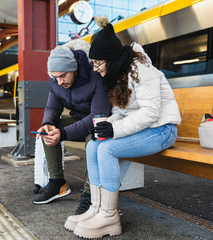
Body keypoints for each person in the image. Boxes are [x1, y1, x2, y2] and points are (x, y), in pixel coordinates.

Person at [64, 22, 181, 238]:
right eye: (93, 63)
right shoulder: (115, 75)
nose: (95, 68)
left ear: (111, 59)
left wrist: (114, 130)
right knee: (93, 146)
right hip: (144, 129)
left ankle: (109, 216)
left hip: (162, 129)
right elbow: (122, 112)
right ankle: (96, 208)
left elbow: (150, 113)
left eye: (98, 63)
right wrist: (108, 123)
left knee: (107, 149)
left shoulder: (141, 70)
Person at [32, 40, 112, 216]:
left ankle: (90, 193)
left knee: (96, 137)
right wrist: (47, 123)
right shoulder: (55, 82)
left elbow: (98, 116)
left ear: (74, 68)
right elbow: (52, 108)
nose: (59, 82)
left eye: (63, 76)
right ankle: (57, 182)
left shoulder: (95, 77)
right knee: (49, 129)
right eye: (55, 77)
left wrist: (64, 133)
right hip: (79, 121)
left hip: (100, 123)